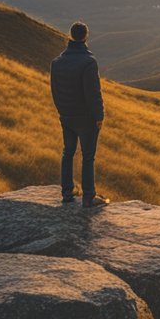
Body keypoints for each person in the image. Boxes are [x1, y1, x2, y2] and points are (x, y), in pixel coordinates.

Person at [50, 21, 109, 207]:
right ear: (86, 36)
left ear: (70, 35)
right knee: (88, 156)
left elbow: (54, 89)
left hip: (66, 115)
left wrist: (62, 110)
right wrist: (99, 116)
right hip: (85, 117)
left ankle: (67, 192)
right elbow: (93, 93)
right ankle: (89, 196)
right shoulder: (88, 62)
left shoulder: (57, 62)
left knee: (68, 152)